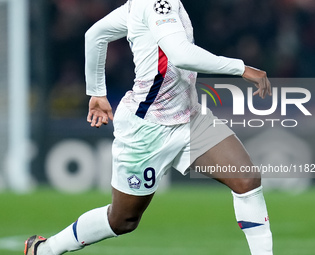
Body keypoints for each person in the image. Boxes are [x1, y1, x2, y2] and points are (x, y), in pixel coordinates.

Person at [25, 0, 273, 254]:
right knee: (122, 220)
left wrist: (97, 92)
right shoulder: (158, 3)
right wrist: (242, 68)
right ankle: (45, 250)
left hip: (190, 119)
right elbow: (181, 55)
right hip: (147, 129)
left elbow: (96, 34)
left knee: (246, 179)